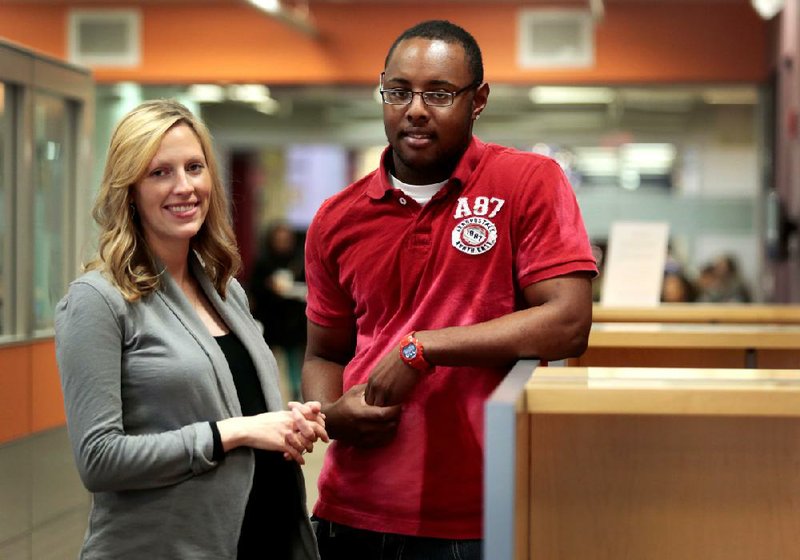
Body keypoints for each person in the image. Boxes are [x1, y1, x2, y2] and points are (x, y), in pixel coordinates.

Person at [302, 20, 597, 560]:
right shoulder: (335, 217)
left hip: (479, 515)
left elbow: (568, 322)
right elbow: (326, 351)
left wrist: (423, 347)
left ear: (478, 99)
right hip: (352, 509)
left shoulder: (527, 183)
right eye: (398, 91)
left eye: (438, 93)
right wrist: (327, 413)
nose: (415, 109)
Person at [54, 99, 327, 560]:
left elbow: (246, 412)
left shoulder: (227, 292)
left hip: (263, 538)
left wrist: (284, 427)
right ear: (130, 190)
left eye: (194, 167)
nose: (184, 186)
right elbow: (99, 460)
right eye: (160, 172)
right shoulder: (98, 300)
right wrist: (233, 433)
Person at [250, 221, 308, 401]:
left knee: (293, 363)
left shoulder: (300, 261)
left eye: (286, 239)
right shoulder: (263, 262)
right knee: (268, 361)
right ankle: (268, 395)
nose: (283, 243)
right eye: (279, 239)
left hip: (293, 322)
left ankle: (294, 396)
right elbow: (254, 290)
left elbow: (310, 288)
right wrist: (269, 287)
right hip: (271, 320)